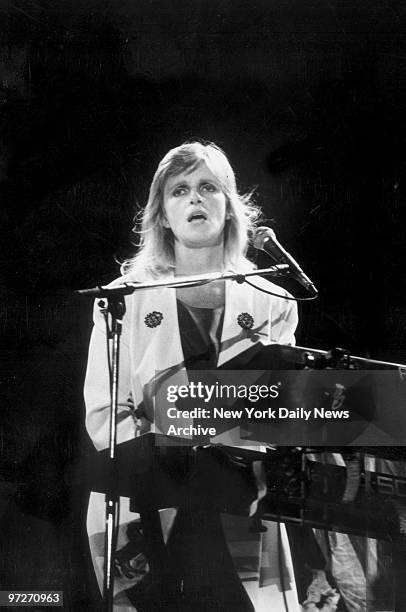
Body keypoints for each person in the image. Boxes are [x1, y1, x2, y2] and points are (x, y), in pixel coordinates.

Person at [84, 141, 301, 611]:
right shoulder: (123, 299)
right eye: (179, 190)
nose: (195, 199)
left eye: (208, 187)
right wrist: (164, 460)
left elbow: (281, 409)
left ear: (229, 206)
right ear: (162, 213)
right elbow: (106, 411)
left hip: (241, 502)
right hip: (149, 502)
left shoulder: (274, 301)